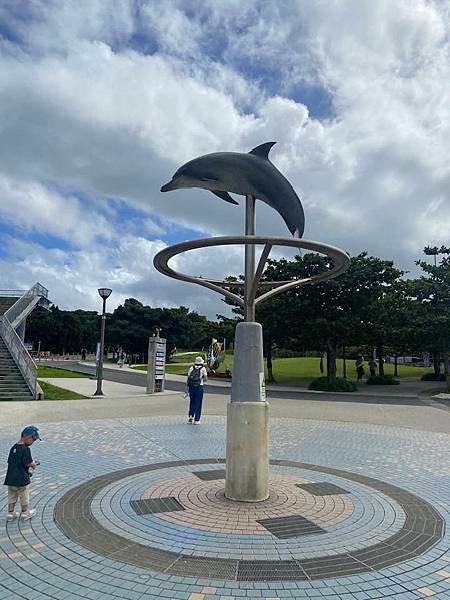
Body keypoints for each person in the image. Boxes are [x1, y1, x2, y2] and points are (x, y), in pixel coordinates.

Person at [4, 426, 41, 522]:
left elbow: (11, 461)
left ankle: (10, 513)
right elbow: (28, 463)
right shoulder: (26, 449)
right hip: (21, 479)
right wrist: (33, 464)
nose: (33, 442)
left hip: (10, 479)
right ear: (27, 437)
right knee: (24, 495)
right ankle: (25, 513)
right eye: (33, 440)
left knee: (12, 495)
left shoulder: (13, 448)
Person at [186, 356, 208, 425]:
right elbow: (206, 379)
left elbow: (188, 378)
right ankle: (196, 420)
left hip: (191, 387)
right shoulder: (203, 369)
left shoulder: (191, 368)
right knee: (198, 403)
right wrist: (201, 379)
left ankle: (190, 416)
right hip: (199, 387)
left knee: (192, 401)